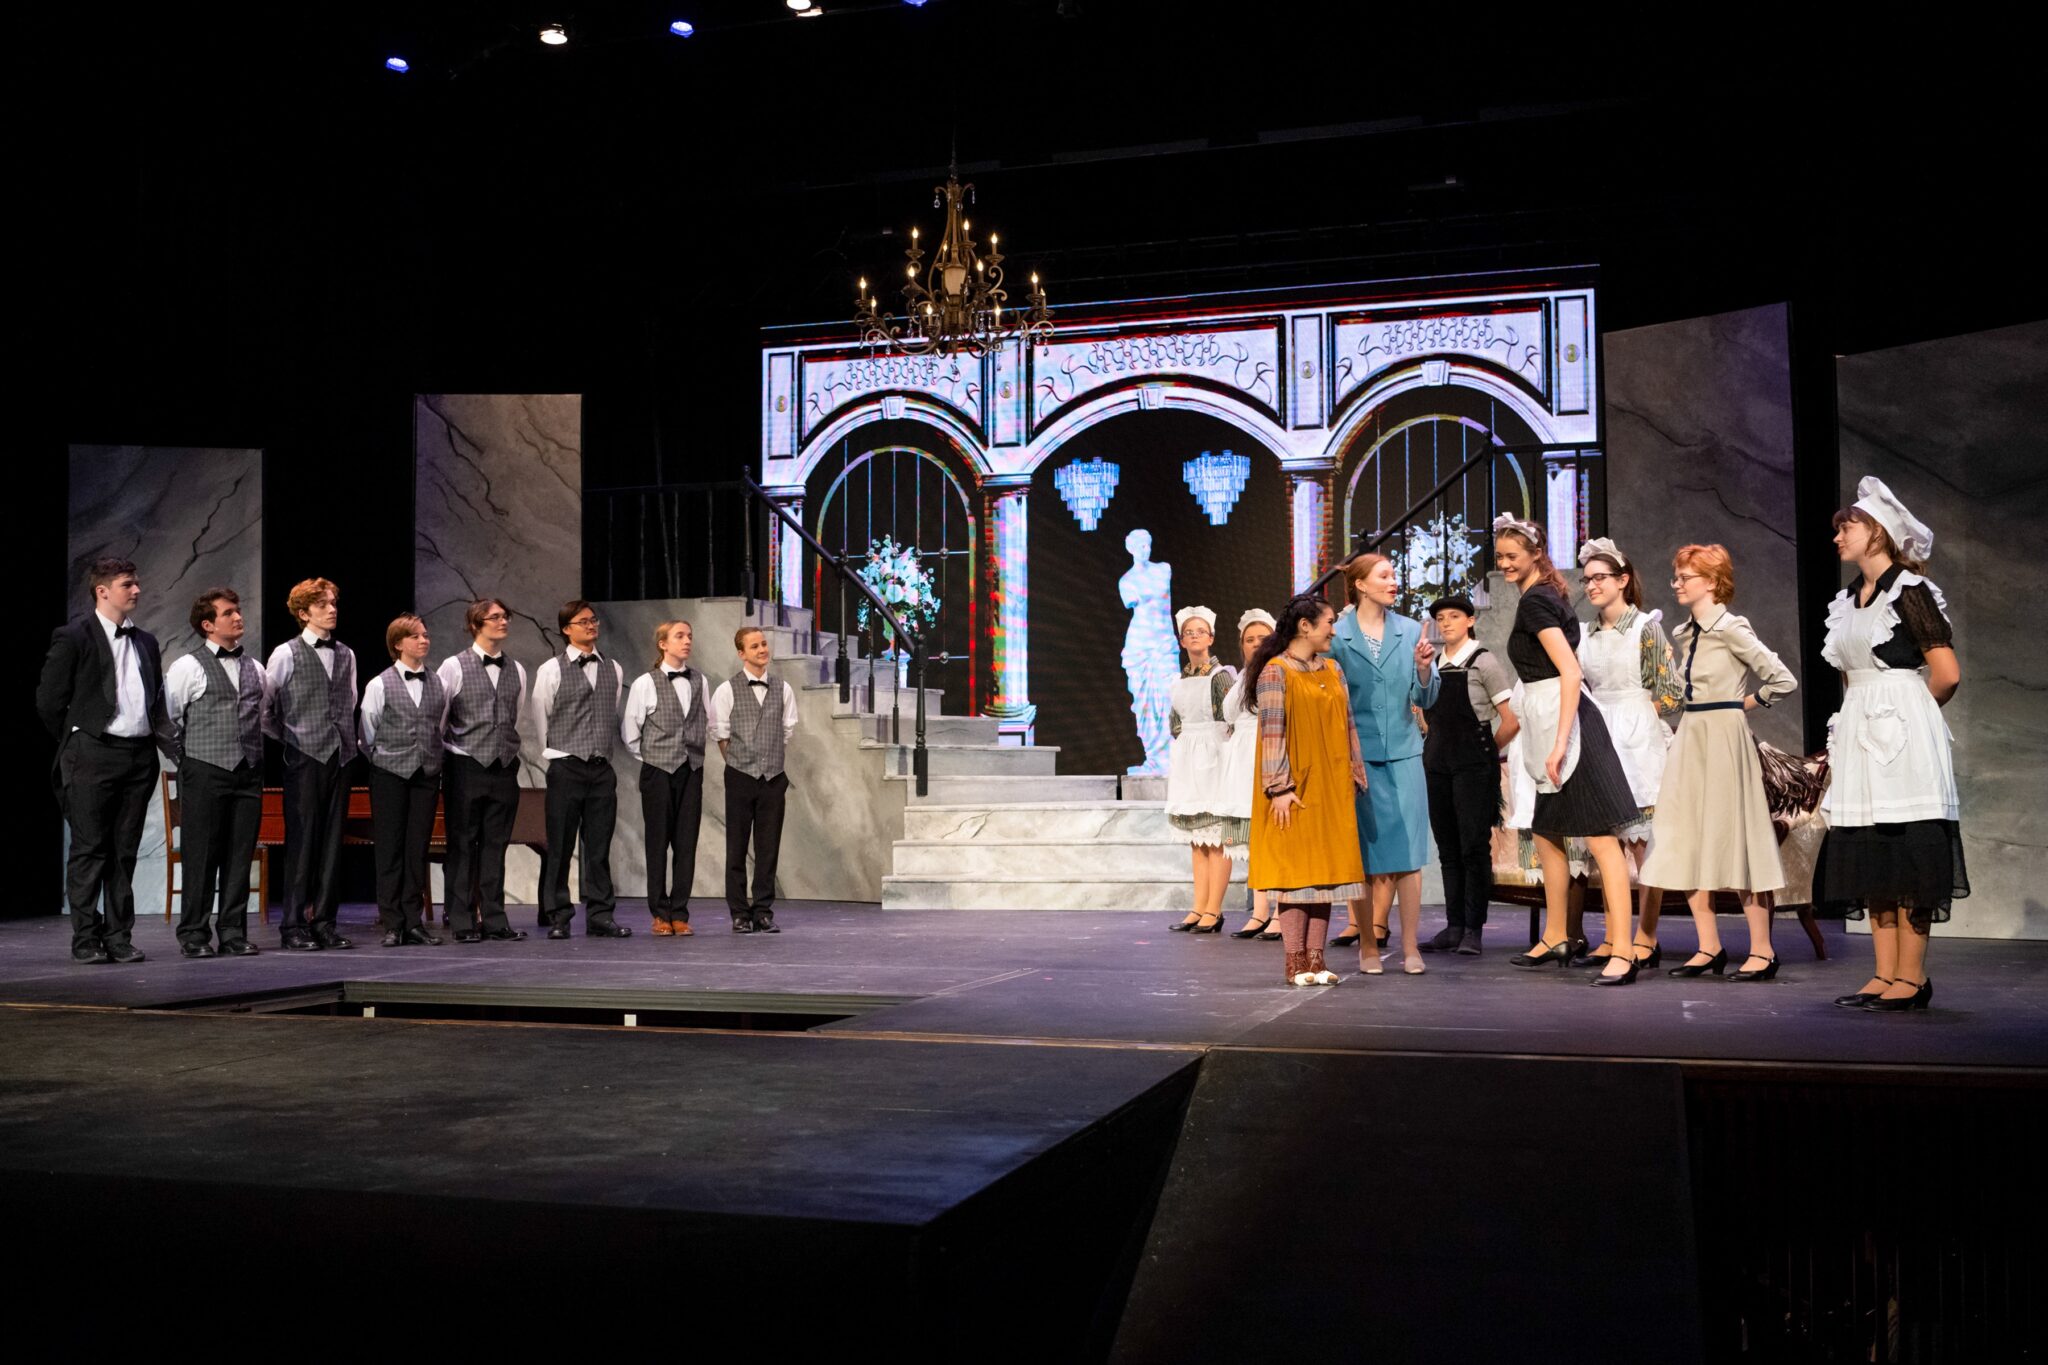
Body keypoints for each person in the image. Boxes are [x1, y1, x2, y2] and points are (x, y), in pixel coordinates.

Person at [1815, 477, 1964, 1012]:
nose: (1838, 537)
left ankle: (1912, 975)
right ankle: (1883, 973)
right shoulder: (1849, 599)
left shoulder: (1911, 591)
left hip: (1901, 731)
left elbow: (1945, 674)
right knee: (1871, 849)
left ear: (1877, 533)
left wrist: (1907, 717)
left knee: (1909, 848)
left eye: (1846, 527)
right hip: (1860, 728)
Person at [1491, 516, 1646, 985]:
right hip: (1548, 718)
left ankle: (1624, 949)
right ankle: (1557, 931)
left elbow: (1569, 673)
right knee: (1546, 829)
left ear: (1536, 554)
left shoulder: (1538, 602)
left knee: (1601, 837)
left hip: (1569, 723)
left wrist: (1559, 743)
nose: (1504, 564)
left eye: (1512, 556)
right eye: (1499, 557)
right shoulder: (1543, 596)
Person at [1639, 545, 1799, 981]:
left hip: (1724, 738)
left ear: (1711, 582)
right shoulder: (1684, 632)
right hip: (1691, 736)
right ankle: (1709, 946)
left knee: (1738, 840)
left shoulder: (1731, 628)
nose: (1677, 583)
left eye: (1685, 576)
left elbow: (1783, 679)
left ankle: (1763, 950)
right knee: (1683, 836)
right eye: (1676, 576)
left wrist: (1744, 703)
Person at [37, 556, 170, 964]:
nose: (137, 590)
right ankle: (86, 937)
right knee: (90, 848)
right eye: (128, 584)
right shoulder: (74, 635)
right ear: (103, 590)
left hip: (137, 756)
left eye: (136, 582)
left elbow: (154, 698)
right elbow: (48, 701)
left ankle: (118, 935)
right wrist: (80, 737)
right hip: (93, 753)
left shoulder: (145, 640)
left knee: (124, 851)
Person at [1243, 594, 1368, 986]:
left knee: (1325, 874)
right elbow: (1273, 734)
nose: (1334, 629)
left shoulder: (1333, 669)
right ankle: (1294, 961)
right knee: (1297, 875)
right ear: (1305, 626)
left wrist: (1355, 771)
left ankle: (1317, 960)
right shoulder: (1275, 672)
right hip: (1294, 787)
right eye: (1329, 622)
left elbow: (1348, 725)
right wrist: (1279, 787)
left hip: (1332, 784)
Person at [1571, 538, 1682, 968]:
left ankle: (1645, 935)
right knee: (1605, 844)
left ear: (1622, 580)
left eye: (1600, 577)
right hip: (1600, 734)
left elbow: (1672, 694)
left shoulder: (1645, 628)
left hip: (1638, 736)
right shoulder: (1585, 633)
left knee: (1642, 843)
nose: (1592, 585)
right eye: (1587, 579)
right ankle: (1614, 933)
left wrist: (1640, 717)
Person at [1328, 553, 1439, 975]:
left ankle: (1411, 946)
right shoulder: (1337, 634)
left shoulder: (1410, 630)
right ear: (1360, 584)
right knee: (1364, 853)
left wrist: (1425, 670)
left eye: (1395, 574)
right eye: (1384, 575)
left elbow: (1425, 698)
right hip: (1359, 757)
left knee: (1410, 853)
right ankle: (1368, 944)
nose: (1394, 582)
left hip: (1406, 752)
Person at [163, 587, 267, 958]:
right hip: (205, 770)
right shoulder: (188, 667)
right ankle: (193, 932)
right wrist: (188, 760)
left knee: (240, 856)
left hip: (247, 773)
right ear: (208, 625)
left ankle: (233, 931)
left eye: (238, 610)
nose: (238, 617)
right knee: (202, 855)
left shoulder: (256, 668)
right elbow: (166, 720)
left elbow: (262, 718)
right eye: (228, 613)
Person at [1419, 595, 1519, 956]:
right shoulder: (1432, 663)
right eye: (1440, 618)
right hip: (1437, 762)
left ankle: (1473, 929)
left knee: (1473, 846)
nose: (1446, 623)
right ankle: (1453, 925)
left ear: (1470, 620)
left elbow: (1511, 720)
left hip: (1473, 763)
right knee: (1447, 846)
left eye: (1454, 616)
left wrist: (1486, 752)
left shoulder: (1483, 661)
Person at [263, 577, 358, 951]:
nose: (332, 609)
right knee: (303, 842)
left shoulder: (347, 654)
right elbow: (266, 709)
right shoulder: (286, 653)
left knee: (334, 843)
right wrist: (293, 737)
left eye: (333, 602)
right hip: (304, 756)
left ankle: (324, 922)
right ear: (304, 614)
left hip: (342, 755)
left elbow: (348, 702)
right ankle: (292, 926)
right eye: (322, 605)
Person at [532, 600, 630, 939]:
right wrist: (560, 754)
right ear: (566, 629)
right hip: (566, 765)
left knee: (599, 847)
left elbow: (608, 710)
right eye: (583, 621)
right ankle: (558, 915)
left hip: (601, 768)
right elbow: (541, 716)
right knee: (559, 846)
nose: (591, 625)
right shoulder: (552, 670)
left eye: (593, 620)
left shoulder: (613, 669)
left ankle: (601, 915)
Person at [436, 598, 530, 944]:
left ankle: (494, 919)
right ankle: (461, 918)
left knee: (496, 845)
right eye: (495, 617)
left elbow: (511, 716)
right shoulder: (453, 666)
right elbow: (441, 719)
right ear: (477, 625)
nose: (503, 621)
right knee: (461, 845)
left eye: (505, 616)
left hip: (503, 767)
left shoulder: (516, 669)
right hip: (465, 764)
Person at [359, 613, 448, 947]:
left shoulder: (438, 682)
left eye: (425, 635)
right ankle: (393, 922)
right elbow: (367, 734)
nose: (424, 640)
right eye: (415, 636)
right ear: (398, 644)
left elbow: (436, 727)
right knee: (391, 848)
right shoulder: (380, 684)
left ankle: (414, 921)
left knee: (416, 849)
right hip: (389, 774)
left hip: (425, 774)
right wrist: (389, 760)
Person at [623, 619, 712, 937]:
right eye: (679, 636)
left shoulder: (699, 680)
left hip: (691, 771)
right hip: (658, 771)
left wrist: (692, 758)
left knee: (686, 843)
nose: (687, 641)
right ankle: (660, 914)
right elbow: (631, 733)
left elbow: (706, 722)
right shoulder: (645, 683)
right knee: (658, 843)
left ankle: (680, 913)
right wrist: (655, 760)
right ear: (663, 644)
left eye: (689, 635)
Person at [711, 624, 799, 933]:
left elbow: (786, 731)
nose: (762, 650)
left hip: (773, 777)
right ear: (741, 653)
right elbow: (721, 734)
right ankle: (739, 911)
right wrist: (740, 763)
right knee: (736, 846)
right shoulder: (726, 689)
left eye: (763, 644)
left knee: (768, 846)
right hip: (740, 775)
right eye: (754, 646)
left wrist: (768, 760)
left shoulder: (782, 688)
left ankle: (763, 910)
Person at [1165, 606, 1243, 933]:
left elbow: (1232, 716)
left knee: (1215, 836)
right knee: (1197, 837)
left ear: (1210, 637)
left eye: (1200, 631)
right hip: (1188, 758)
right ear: (1182, 640)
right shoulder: (1179, 679)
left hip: (1214, 754)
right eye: (1188, 632)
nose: (1194, 636)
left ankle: (1215, 908)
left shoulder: (1220, 675)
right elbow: (1175, 722)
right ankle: (1199, 906)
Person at [1225, 609, 1279, 939]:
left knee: (1275, 837)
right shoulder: (1245, 675)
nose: (1256, 644)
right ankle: (1259, 911)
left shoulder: (1279, 671)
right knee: (1254, 840)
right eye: (1249, 640)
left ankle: (1281, 912)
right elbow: (1229, 712)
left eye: (1263, 638)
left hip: (1268, 752)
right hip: (1243, 758)